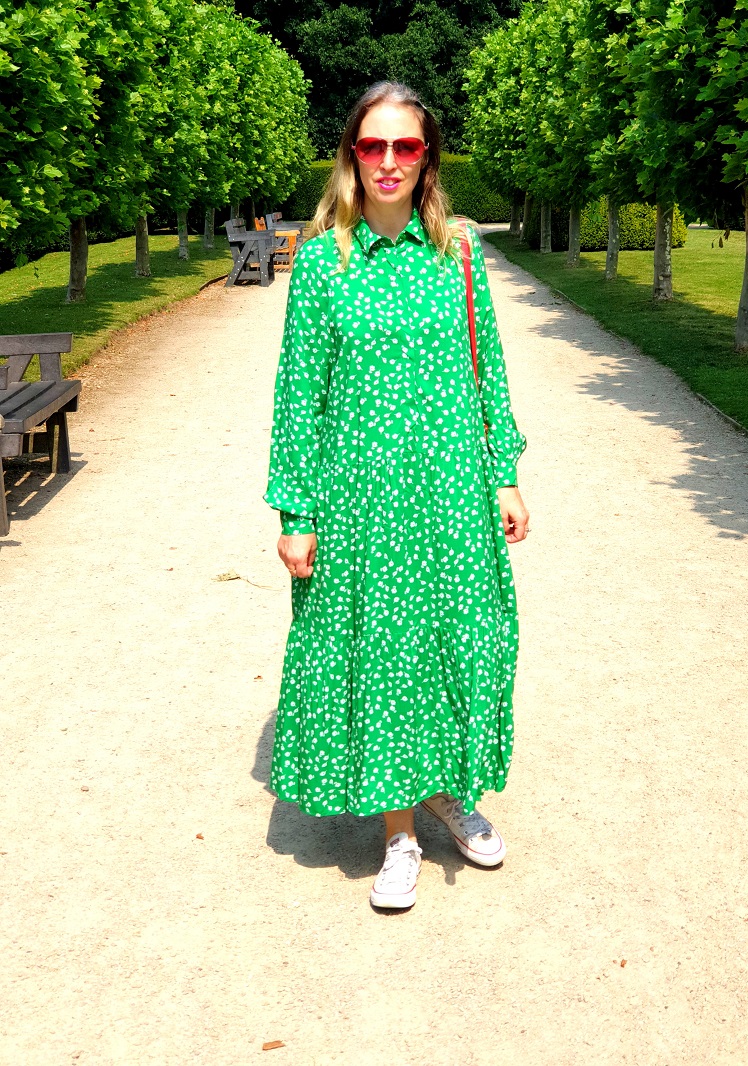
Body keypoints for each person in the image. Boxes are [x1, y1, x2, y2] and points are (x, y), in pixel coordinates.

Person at [264, 81, 529, 910]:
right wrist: (296, 513)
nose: (387, 162)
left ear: (427, 158)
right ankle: (399, 831)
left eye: (404, 147)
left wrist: (506, 471)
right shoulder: (320, 261)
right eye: (372, 146)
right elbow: (298, 391)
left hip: (450, 490)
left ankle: (446, 791)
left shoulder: (460, 253)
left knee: (459, 640)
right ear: (351, 153)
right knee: (379, 654)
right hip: (360, 501)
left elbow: (488, 369)